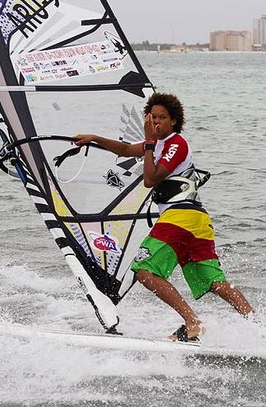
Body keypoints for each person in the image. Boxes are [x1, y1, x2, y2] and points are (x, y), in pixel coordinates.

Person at [75, 92, 253, 342]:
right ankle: (260, 326)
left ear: (174, 121)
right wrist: (95, 138)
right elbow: (126, 149)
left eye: (162, 118)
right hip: (196, 222)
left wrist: (148, 144)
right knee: (214, 282)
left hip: (180, 218)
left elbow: (150, 179)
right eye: (152, 117)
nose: (156, 123)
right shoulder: (158, 145)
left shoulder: (176, 143)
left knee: (145, 271)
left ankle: (193, 322)